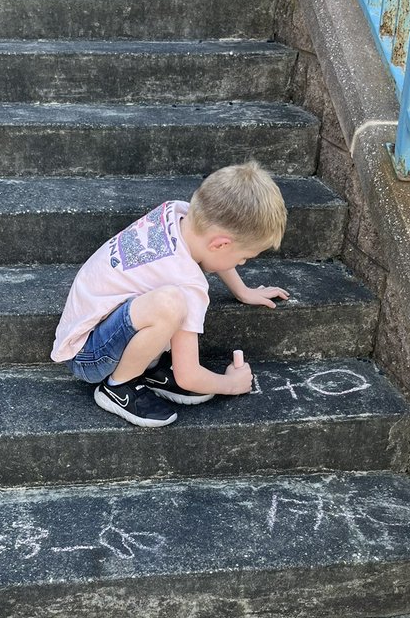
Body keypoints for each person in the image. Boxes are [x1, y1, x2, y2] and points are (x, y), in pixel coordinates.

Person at [50, 161, 289, 427]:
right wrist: (232, 384)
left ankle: (150, 368)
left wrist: (242, 291)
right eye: (244, 257)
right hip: (88, 356)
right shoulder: (189, 283)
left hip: (89, 326)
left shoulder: (177, 212)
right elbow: (188, 376)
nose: (242, 263)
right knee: (170, 303)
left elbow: (213, 250)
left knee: (166, 299)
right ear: (220, 244)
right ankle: (118, 387)